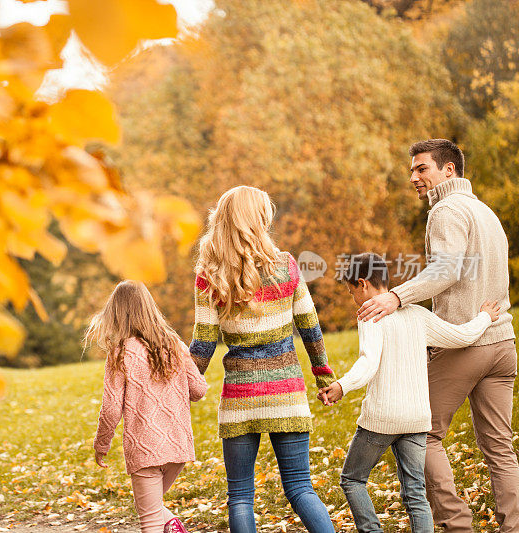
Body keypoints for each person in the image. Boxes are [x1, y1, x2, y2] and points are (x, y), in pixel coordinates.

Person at [357, 138, 519, 532]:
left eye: (422, 168)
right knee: (500, 447)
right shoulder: (485, 211)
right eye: (412, 170)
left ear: (449, 170)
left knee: (421, 433)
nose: (414, 177)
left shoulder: (446, 211)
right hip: (503, 345)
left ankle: (457, 525)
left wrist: (396, 296)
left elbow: (445, 272)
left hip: (466, 343)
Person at [190, 185, 336, 533]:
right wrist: (324, 377)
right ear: (258, 219)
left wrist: (184, 387)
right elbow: (310, 327)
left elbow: (203, 343)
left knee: (240, 495)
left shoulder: (210, 275)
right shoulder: (286, 265)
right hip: (287, 391)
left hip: (241, 396)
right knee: (300, 487)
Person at [320, 253, 501, 533]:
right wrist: (485, 317)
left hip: (383, 418)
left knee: (352, 480)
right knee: (416, 492)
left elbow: (369, 362)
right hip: (417, 418)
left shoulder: (369, 314)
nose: (353, 297)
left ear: (363, 283)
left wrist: (342, 385)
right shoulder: (418, 314)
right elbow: (461, 336)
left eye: (351, 291)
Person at [89, 280, 208, 533]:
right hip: (177, 448)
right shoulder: (174, 343)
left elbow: (110, 408)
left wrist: (101, 445)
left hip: (145, 450)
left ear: (117, 313)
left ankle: (172, 526)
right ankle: (173, 526)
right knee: (153, 508)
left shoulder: (121, 352)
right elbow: (198, 391)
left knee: (150, 519)